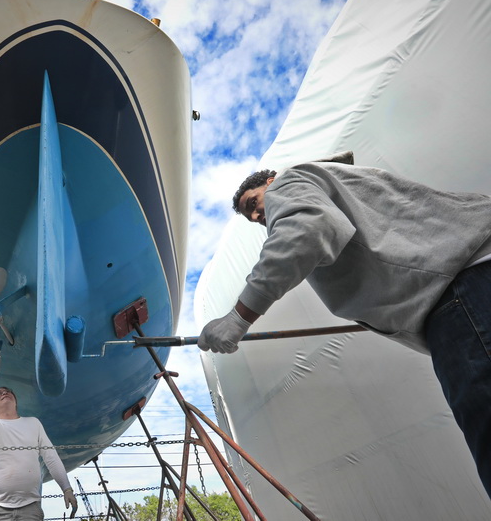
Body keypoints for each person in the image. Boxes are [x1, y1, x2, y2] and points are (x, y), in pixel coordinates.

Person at [197, 151, 491, 497]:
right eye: (251, 215)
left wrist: (239, 316)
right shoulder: (335, 184)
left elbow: (305, 231)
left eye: (254, 202)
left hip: (461, 292)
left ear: (270, 182)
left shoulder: (289, 182)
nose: (258, 214)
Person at [0, 351, 77, 520]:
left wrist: (67, 488)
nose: (4, 393)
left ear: (15, 401)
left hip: (31, 508)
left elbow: (50, 457)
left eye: (8, 392)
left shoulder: (33, 423)